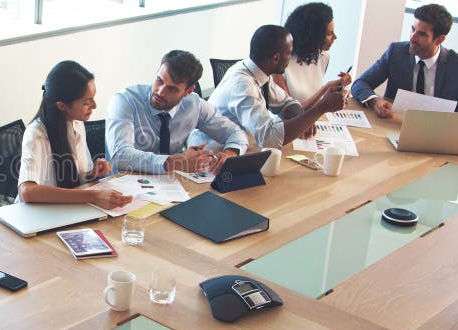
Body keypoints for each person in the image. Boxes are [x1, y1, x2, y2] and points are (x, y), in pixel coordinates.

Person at [106, 50, 249, 174]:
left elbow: (235, 133)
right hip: (125, 183)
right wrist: (176, 162)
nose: (160, 92)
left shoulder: (194, 105)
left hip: (171, 184)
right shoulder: (124, 100)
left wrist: (230, 153)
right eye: (159, 80)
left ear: (188, 91)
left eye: (172, 88)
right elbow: (121, 156)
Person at [204, 25, 346, 149]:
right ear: (276, 58)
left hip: (241, 143)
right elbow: (268, 139)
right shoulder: (243, 86)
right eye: (289, 54)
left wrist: (303, 118)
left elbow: (286, 103)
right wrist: (322, 107)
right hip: (212, 150)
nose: (290, 59)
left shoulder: (259, 72)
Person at [18, 61, 133, 209]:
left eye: (93, 97)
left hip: (66, 210)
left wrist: (91, 175)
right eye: (86, 102)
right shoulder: (37, 133)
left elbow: (70, 181)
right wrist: (94, 196)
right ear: (62, 106)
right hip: (38, 214)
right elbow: (27, 192)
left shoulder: (76, 123)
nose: (94, 105)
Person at [352, 3, 458, 127]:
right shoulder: (396, 52)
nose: (412, 38)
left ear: (439, 39)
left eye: (422, 34)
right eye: (413, 29)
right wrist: (376, 101)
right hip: (394, 126)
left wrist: (456, 122)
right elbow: (360, 83)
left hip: (439, 135)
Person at [273, 2, 352, 107]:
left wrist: (338, 90)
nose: (335, 37)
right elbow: (290, 113)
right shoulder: (278, 64)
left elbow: (314, 98)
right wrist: (326, 89)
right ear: (312, 36)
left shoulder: (323, 57)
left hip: (314, 120)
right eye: (329, 33)